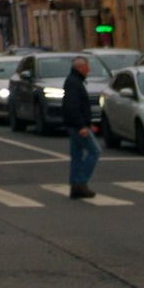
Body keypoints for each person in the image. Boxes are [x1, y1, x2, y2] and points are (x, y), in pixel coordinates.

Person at [60, 56, 100, 200]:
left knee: (77, 156)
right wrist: (81, 126)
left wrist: (88, 124)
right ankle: (80, 182)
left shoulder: (74, 81)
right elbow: (72, 106)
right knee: (94, 152)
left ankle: (75, 186)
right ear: (80, 68)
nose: (88, 70)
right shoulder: (73, 83)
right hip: (76, 126)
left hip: (75, 124)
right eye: (87, 67)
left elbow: (78, 106)